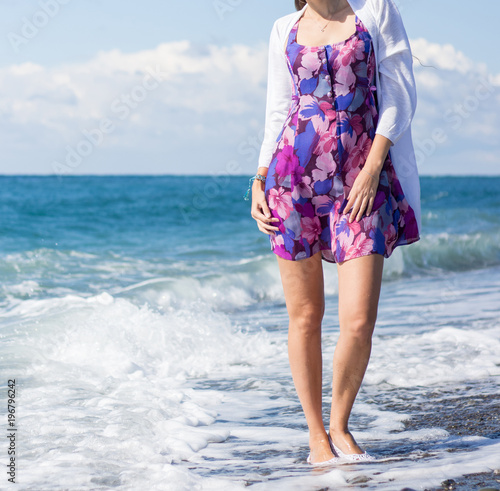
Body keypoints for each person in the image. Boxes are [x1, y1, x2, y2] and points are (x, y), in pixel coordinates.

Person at [246, 0, 421, 466]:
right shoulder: (284, 27)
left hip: (364, 181)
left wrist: (374, 166)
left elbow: (402, 96)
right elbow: (278, 109)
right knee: (305, 316)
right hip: (292, 181)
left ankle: (341, 425)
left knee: (358, 320)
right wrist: (258, 180)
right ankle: (316, 436)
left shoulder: (376, 12)